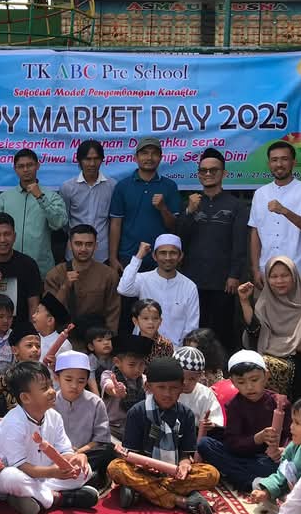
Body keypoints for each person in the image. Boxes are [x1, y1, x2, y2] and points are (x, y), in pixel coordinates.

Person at [109, 357, 220, 514]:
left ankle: (143, 491)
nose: (167, 393)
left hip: (173, 472)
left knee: (211, 473)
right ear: (148, 387)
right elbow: (132, 454)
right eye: (161, 387)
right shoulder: (137, 412)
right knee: (115, 468)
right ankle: (180, 499)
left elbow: (185, 454)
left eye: (173, 388)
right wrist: (144, 465)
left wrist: (184, 465)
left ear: (181, 388)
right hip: (144, 469)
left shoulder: (186, 415)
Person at [0, 361, 100, 514]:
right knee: (9, 477)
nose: (52, 391)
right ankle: (59, 498)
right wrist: (53, 472)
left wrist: (75, 459)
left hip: (45, 477)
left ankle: (34, 497)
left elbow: (64, 451)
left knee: (85, 470)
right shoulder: (13, 422)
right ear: (25, 397)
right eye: (44, 388)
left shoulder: (54, 416)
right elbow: (21, 467)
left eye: (50, 385)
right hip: (20, 476)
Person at [238, 256, 301, 401]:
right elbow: (255, 334)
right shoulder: (265, 303)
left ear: (294, 277)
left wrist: (299, 348)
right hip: (273, 356)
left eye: (285, 275)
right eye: (274, 276)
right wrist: (244, 302)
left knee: (268, 366)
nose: (279, 281)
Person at [176, 148, 248, 353]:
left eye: (213, 170)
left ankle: (222, 369)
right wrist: (189, 212)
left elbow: (239, 243)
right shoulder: (189, 204)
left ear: (224, 173)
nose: (208, 174)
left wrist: (234, 275)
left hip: (223, 281)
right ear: (198, 174)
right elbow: (180, 239)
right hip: (193, 280)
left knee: (222, 331)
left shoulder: (236, 205)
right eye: (203, 170)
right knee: (195, 331)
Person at [197, 350, 290, 492]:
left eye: (254, 380)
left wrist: (283, 450)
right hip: (242, 457)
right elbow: (233, 443)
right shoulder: (234, 405)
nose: (249, 387)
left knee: (275, 466)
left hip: (268, 460)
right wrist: (257, 438)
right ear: (233, 382)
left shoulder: (279, 403)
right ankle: (252, 481)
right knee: (205, 444)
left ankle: (241, 477)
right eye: (241, 382)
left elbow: (292, 435)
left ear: (266, 376)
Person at [249, 141, 301, 286]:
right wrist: (255, 269)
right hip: (266, 270)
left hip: (298, 271)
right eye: (274, 160)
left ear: (293, 162)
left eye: (284, 159)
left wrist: (285, 211)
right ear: (269, 164)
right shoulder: (260, 193)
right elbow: (255, 232)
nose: (279, 164)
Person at [109, 137, 180, 273]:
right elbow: (116, 224)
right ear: (136, 157)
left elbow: (173, 226)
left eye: (154, 153)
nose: (149, 157)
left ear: (160, 158)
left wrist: (163, 208)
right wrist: (113, 258)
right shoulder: (122, 186)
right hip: (129, 256)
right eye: (145, 153)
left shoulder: (170, 186)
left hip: (161, 257)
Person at [0, 149, 67, 278]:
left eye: (30, 165)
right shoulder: (4, 198)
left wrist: (40, 197)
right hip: (8, 267)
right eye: (21, 166)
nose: (26, 169)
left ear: (38, 165)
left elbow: (59, 223)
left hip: (41, 268)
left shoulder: (51, 196)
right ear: (15, 169)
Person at [117, 235, 199, 346]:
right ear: (154, 256)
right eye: (163, 253)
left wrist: (182, 351)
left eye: (173, 253)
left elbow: (191, 326)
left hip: (175, 350)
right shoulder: (143, 279)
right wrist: (139, 256)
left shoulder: (189, 286)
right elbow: (123, 289)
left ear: (180, 256)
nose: (168, 258)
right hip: (143, 347)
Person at [246, 396, 301, 508]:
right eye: (292, 421)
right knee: (257, 483)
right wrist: (266, 492)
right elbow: (282, 474)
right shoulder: (294, 447)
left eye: (297, 423)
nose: (291, 426)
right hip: (290, 491)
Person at [53, 351, 113, 489]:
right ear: (57, 378)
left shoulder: (95, 402)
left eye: (81, 381)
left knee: (108, 451)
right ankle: (86, 480)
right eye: (68, 380)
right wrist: (65, 453)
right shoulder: (49, 402)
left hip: (86, 453)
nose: (74, 385)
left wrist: (78, 453)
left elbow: (101, 440)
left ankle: (82, 478)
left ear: (86, 381)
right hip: (57, 455)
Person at [44, 224, 120, 333]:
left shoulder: (109, 275)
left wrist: (108, 338)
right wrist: (65, 287)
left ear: (96, 246)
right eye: (78, 244)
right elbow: (48, 314)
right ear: (70, 245)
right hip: (63, 336)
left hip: (96, 336)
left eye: (89, 244)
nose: (83, 249)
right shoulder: (55, 274)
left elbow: (113, 313)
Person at [58, 139, 115, 263]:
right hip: (74, 254)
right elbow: (64, 221)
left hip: (102, 254)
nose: (92, 163)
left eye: (96, 159)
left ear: (102, 160)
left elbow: (113, 221)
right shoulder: (68, 187)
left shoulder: (112, 186)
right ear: (79, 161)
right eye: (87, 159)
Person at [100, 334, 153, 440]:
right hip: (112, 428)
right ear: (117, 362)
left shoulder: (145, 380)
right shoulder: (108, 375)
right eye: (132, 365)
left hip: (136, 427)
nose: (137, 369)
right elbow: (109, 387)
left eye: (142, 364)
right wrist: (115, 390)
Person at [171, 346, 225, 435]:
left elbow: (215, 419)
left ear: (200, 376)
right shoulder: (164, 387)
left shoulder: (205, 394)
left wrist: (211, 424)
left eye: (191, 379)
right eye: (181, 377)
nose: (185, 382)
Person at [32, 292, 72, 364]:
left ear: (50, 320)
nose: (33, 316)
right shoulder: (31, 338)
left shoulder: (64, 345)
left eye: (37, 312)